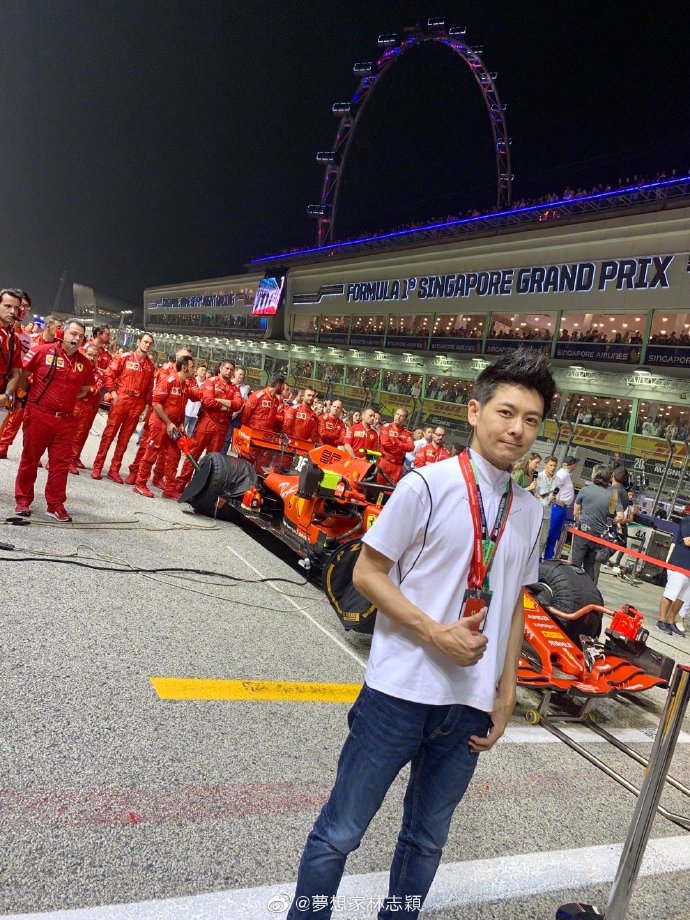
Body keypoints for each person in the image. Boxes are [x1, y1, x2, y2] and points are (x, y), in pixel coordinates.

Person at [286, 349, 554, 919]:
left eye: (531, 420)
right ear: (475, 411)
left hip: (468, 708)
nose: (517, 429)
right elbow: (367, 573)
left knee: (426, 843)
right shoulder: (426, 486)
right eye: (506, 412)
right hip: (398, 694)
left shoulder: (531, 511)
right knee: (340, 832)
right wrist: (433, 633)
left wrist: (507, 691)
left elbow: (513, 603)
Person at [14, 319, 95, 521]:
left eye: (81, 336)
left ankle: (55, 504)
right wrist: (30, 394)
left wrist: (66, 398)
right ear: (62, 333)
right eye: (73, 333)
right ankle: (23, 499)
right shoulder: (42, 351)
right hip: (38, 414)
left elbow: (84, 389)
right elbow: (23, 374)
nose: (77, 338)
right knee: (30, 459)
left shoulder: (84, 364)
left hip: (66, 420)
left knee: (60, 465)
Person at [92, 332, 156, 482]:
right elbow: (110, 375)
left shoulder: (150, 366)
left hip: (137, 404)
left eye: (150, 343)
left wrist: (146, 407)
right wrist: (113, 393)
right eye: (145, 342)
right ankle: (98, 466)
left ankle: (114, 470)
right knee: (109, 435)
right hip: (121, 399)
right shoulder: (125, 357)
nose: (147, 345)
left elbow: (149, 389)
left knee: (124, 440)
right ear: (139, 342)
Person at [126, 346, 193, 485]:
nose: (189, 361)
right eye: (185, 357)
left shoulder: (186, 380)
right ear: (178, 358)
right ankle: (135, 473)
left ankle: (158, 477)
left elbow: (195, 395)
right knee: (148, 446)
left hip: (173, 419)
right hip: (158, 414)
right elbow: (157, 398)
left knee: (168, 453)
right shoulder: (166, 372)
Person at [0, 301, 57, 459]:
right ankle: (3, 446)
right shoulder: (30, 339)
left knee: (34, 424)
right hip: (23, 383)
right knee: (15, 417)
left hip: (41, 389)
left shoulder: (56, 348)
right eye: (58, 327)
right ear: (48, 327)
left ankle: (31, 454)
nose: (60, 331)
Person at [176, 361, 243, 490]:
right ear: (221, 368)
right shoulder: (210, 382)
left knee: (212, 459)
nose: (229, 371)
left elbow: (238, 404)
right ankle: (180, 485)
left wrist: (219, 400)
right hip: (206, 421)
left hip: (222, 426)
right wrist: (226, 407)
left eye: (231, 369)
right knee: (194, 453)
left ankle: (198, 487)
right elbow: (207, 401)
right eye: (227, 368)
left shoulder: (235, 388)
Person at [571, 465, 622, 583]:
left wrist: (581, 520)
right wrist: (608, 522)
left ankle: (573, 588)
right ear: (609, 478)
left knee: (575, 564)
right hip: (599, 535)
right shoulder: (614, 495)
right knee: (590, 566)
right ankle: (589, 590)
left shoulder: (585, 490)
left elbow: (576, 512)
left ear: (595, 475)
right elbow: (620, 516)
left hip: (583, 531)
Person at [70, 343, 105, 473]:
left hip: (90, 407)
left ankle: (74, 457)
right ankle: (67, 460)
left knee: (82, 434)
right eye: (89, 355)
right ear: (84, 354)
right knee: (72, 434)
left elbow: (96, 389)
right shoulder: (78, 367)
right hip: (77, 404)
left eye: (95, 356)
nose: (92, 358)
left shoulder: (99, 373)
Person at [656, 504, 690, 636]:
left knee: (682, 597)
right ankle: (661, 620)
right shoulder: (687, 520)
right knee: (671, 593)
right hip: (679, 564)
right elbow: (687, 541)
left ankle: (670, 621)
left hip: (688, 568)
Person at [0, 290, 24, 448]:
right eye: (7, 306)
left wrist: (7, 395)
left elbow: (16, 373)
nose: (12, 311)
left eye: (16, 308)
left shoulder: (15, 340)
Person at [543, 456, 577, 560]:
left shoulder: (566, 474)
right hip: (557, 507)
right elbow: (553, 486)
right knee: (551, 532)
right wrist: (556, 500)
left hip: (561, 508)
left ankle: (548, 556)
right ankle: (544, 555)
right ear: (572, 464)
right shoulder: (563, 473)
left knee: (554, 533)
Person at [378, 408, 415, 483]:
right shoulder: (386, 427)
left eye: (401, 416)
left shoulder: (407, 433)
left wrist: (397, 443)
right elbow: (385, 444)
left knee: (391, 489)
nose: (398, 417)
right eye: (397, 414)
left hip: (398, 466)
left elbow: (411, 447)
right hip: (384, 462)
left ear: (405, 419)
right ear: (394, 415)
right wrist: (401, 449)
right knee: (377, 486)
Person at [535, 455, 558, 552]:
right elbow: (534, 494)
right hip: (536, 512)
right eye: (551, 465)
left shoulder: (557, 479)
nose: (553, 468)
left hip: (547, 513)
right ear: (545, 465)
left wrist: (554, 499)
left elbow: (555, 494)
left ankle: (537, 559)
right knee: (533, 538)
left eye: (554, 466)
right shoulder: (538, 477)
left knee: (543, 540)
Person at [184, 364, 206, 436]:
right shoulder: (190, 381)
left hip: (196, 413)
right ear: (197, 371)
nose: (204, 372)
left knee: (191, 433)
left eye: (205, 371)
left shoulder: (206, 384)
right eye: (202, 370)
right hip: (187, 410)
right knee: (181, 430)